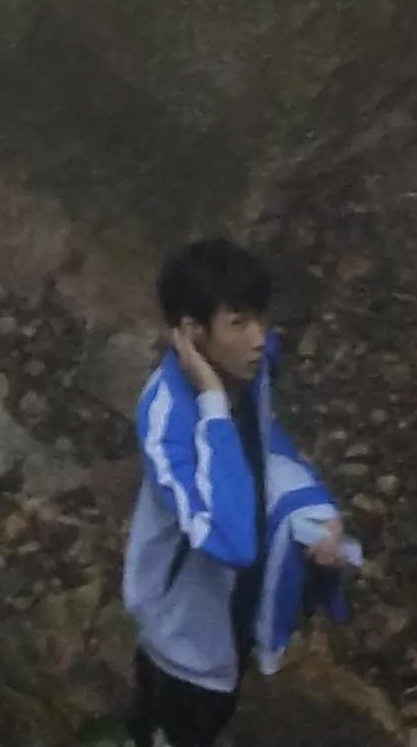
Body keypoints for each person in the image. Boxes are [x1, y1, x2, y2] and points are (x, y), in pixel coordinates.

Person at [124, 233, 353, 747]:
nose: (259, 338)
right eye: (239, 323)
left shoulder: (250, 366)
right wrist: (210, 400)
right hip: (184, 643)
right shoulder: (167, 422)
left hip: (235, 612)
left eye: (261, 318)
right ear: (192, 333)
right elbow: (232, 541)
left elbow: (267, 437)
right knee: (179, 724)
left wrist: (315, 503)